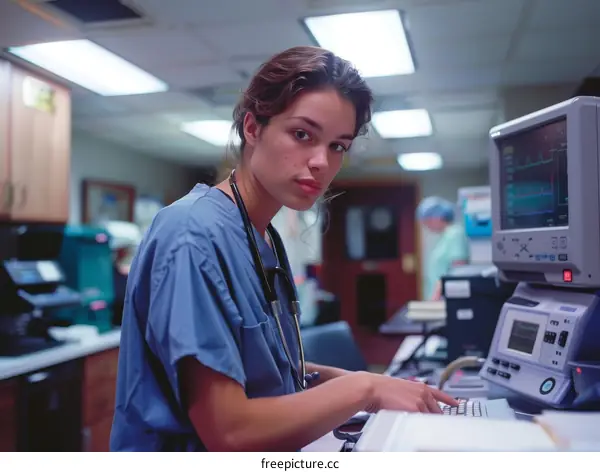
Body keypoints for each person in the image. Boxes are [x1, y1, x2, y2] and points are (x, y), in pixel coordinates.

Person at [110, 46, 458, 452]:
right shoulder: (192, 234)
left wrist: (378, 384)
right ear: (253, 128)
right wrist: (364, 387)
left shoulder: (262, 237)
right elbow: (230, 431)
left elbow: (270, 371)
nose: (321, 162)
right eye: (302, 134)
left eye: (338, 146)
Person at [417, 196, 469, 301]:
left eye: (427, 221)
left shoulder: (455, 234)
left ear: (438, 217)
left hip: (445, 299)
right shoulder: (444, 237)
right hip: (438, 299)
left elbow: (457, 271)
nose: (427, 226)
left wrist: (436, 298)